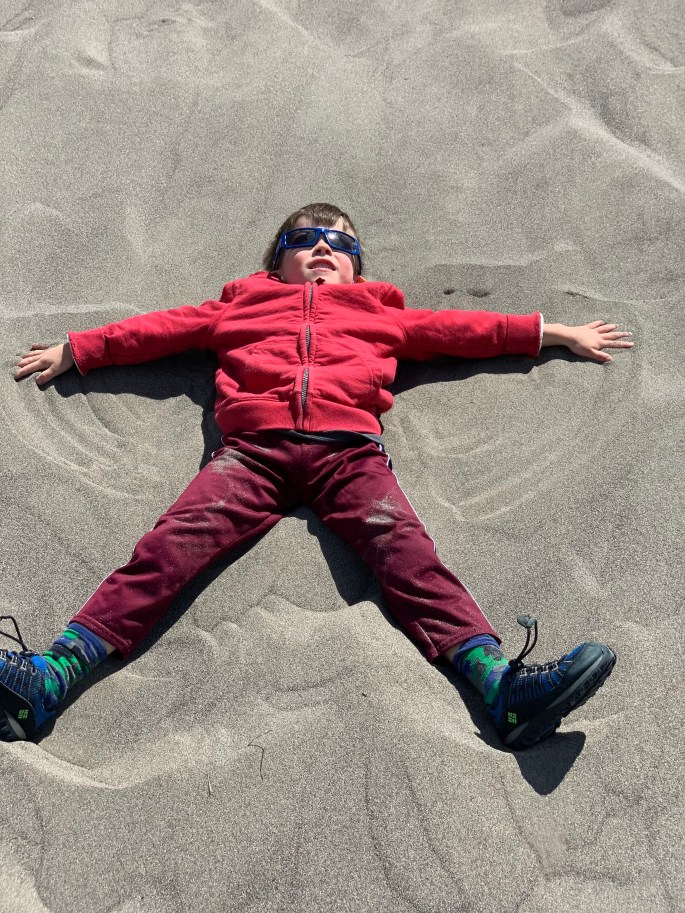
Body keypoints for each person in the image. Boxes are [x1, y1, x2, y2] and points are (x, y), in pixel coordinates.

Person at [2, 202, 633, 750]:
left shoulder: (381, 314)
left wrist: (553, 333)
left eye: (340, 243)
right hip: (252, 455)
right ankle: (48, 680)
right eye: (304, 239)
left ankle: (503, 689)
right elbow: (160, 330)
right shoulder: (238, 307)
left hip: (349, 455)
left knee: (408, 555)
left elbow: (462, 330)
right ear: (277, 262)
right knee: (167, 550)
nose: (324, 248)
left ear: (359, 268)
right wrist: (79, 349)